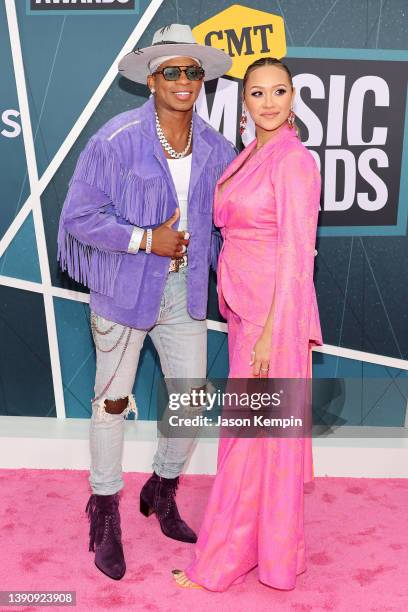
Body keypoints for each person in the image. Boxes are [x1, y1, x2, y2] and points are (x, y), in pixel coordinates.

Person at [57, 24, 235, 581]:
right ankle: (105, 509)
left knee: (189, 402)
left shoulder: (217, 147)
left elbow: (231, 224)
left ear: (202, 80)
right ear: (152, 81)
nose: (183, 80)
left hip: (185, 293)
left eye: (192, 71)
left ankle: (162, 488)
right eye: (171, 72)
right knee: (111, 404)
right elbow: (77, 219)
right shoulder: (116, 139)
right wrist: (143, 238)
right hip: (123, 287)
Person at [172, 57, 323, 592]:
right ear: (245, 103)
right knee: (256, 439)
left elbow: (297, 256)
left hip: (271, 322)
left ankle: (220, 563)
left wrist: (270, 333)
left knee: (249, 441)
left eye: (278, 91)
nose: (268, 102)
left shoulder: (295, 162)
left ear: (293, 97)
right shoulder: (251, 154)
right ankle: (273, 554)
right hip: (245, 311)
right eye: (257, 93)